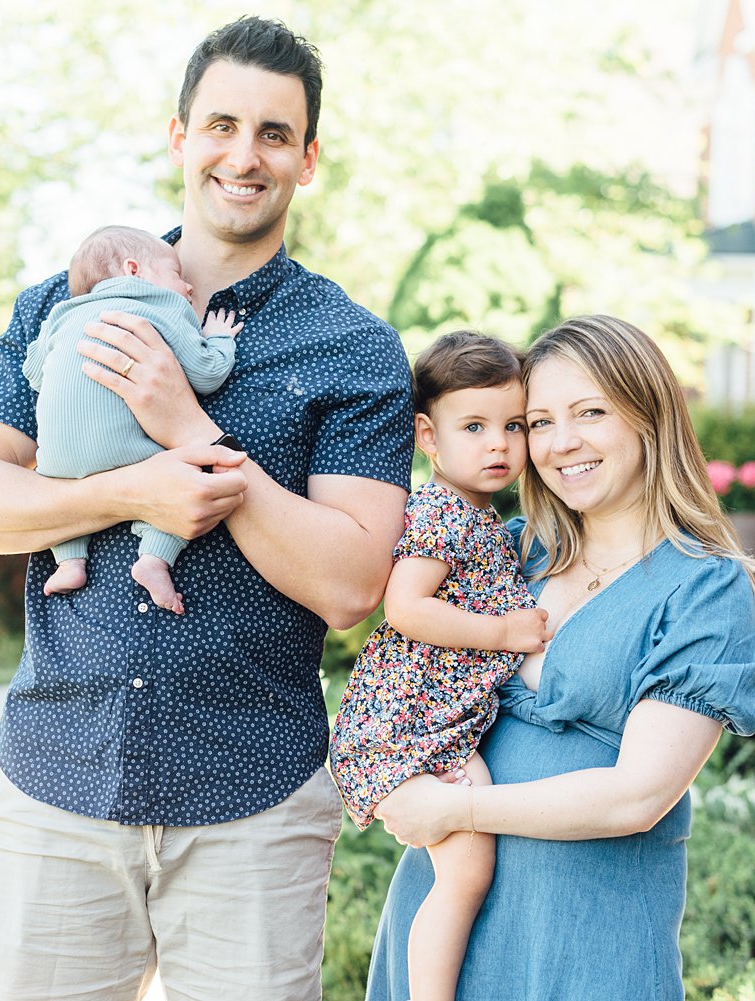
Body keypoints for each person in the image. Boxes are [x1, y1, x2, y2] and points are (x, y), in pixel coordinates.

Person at [0, 16, 414, 1001]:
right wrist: (130, 492)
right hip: (54, 777)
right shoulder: (60, 305)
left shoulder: (352, 349)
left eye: (275, 134)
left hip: (255, 801)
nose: (245, 154)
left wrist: (188, 427)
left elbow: (353, 581)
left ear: (307, 159)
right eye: (222, 124)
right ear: (179, 136)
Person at [364, 315, 755, 1001]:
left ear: (649, 417)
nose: (562, 443)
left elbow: (637, 794)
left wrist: (456, 811)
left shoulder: (702, 585)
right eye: (539, 421)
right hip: (446, 926)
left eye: (590, 413)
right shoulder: (510, 551)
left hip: (588, 935)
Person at [329, 330, 551, 1001]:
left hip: (439, 731)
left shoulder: (483, 518)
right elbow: (405, 607)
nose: (498, 444)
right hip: (402, 730)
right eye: (475, 425)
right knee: (467, 871)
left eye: (513, 425)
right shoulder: (439, 512)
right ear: (428, 435)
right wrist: (503, 631)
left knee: (470, 869)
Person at [23, 224, 243, 611]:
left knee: (57, 482)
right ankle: (154, 559)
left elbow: (36, 374)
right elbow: (207, 373)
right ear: (134, 269)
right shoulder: (160, 304)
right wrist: (220, 338)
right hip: (128, 453)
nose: (188, 287)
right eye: (177, 274)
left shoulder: (61, 314)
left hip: (57, 459)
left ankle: (70, 561)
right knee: (187, 477)